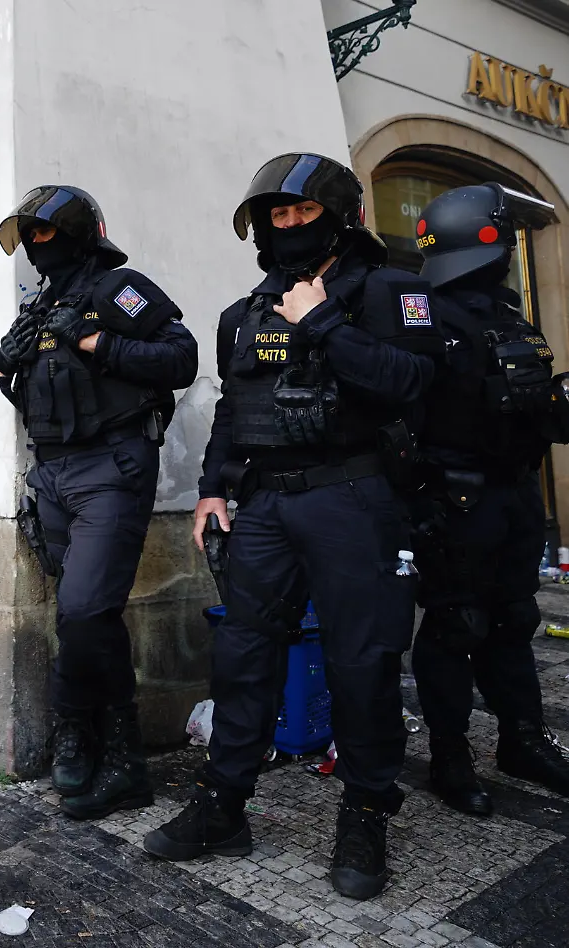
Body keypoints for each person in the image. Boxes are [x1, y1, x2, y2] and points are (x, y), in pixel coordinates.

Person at [142, 154, 442, 901]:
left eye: (303, 213)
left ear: (338, 216)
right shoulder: (243, 314)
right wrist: (212, 490)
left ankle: (367, 810)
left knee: (361, 663)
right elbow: (232, 412)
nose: (290, 225)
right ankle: (223, 806)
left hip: (354, 497)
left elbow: (413, 382)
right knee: (244, 655)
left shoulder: (391, 291)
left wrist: (325, 322)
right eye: (278, 216)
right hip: (266, 507)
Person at [0, 184, 198, 822]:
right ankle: (92, 742)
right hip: (52, 473)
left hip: (111, 467)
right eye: (28, 236)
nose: (34, 246)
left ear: (77, 232)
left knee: (83, 610)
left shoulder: (117, 290)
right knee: (83, 617)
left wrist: (93, 343)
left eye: (45, 233)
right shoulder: (40, 303)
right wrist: (6, 371)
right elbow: (41, 395)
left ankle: (115, 750)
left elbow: (180, 357)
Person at [407, 184, 569, 814]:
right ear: (486, 238)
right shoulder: (423, 316)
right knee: (454, 626)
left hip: (513, 495)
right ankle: (451, 757)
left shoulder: (509, 314)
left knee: (513, 619)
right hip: (454, 500)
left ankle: (523, 739)